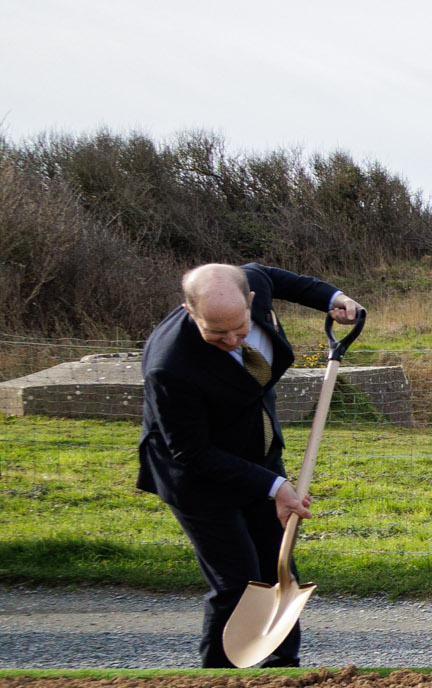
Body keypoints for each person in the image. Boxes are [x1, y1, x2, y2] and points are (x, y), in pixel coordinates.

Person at [138, 262, 365, 667]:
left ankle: (282, 672)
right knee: (237, 582)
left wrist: (333, 298)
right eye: (215, 332)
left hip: (256, 453)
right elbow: (190, 452)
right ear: (191, 312)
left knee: (279, 569)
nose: (230, 340)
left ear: (251, 301)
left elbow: (277, 276)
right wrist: (274, 486)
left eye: (239, 330)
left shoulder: (252, 283)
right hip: (195, 477)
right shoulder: (169, 366)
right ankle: (219, 685)